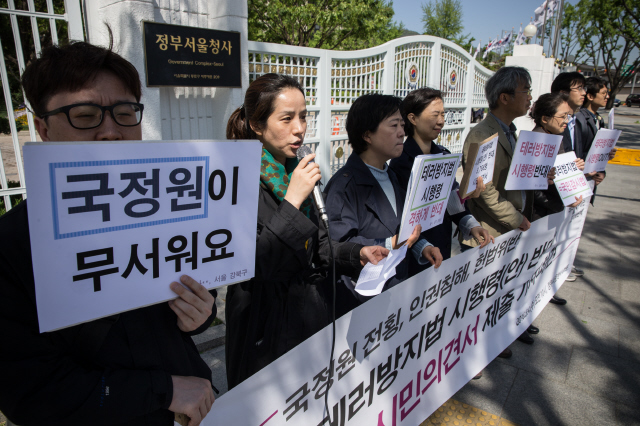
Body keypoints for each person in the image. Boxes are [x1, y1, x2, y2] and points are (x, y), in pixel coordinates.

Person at [0, 42, 216, 426]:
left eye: (125, 112)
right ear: (43, 129)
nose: (111, 132)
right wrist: (163, 390)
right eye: (85, 115)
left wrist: (199, 313)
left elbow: (196, 300)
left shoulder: (171, 213)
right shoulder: (10, 245)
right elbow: (27, 391)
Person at [224, 74, 387, 388]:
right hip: (264, 329)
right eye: (286, 118)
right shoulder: (236, 178)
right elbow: (255, 265)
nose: (299, 128)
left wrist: (357, 253)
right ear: (257, 125)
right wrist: (292, 200)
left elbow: (320, 248)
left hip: (308, 318)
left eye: (303, 117)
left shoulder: (297, 169)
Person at [460, 66, 544, 350]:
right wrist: (516, 218)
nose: (530, 97)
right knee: (484, 293)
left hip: (511, 226)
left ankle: (504, 331)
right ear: (504, 98)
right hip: (491, 230)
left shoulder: (511, 131)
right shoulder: (482, 134)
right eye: (526, 91)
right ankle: (479, 346)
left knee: (506, 285)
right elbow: (483, 191)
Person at [323, 94, 434, 307]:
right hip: (361, 304)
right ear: (367, 135)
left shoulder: (390, 175)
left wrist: (422, 246)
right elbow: (338, 247)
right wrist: (388, 244)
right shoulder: (344, 187)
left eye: (402, 125)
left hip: (395, 294)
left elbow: (402, 230)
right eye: (394, 125)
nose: (402, 132)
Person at [390, 87, 494, 275]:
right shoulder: (402, 162)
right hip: (416, 255)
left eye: (443, 114)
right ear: (413, 118)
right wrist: (421, 246)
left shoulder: (443, 155)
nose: (441, 121)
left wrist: (471, 225)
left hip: (442, 247)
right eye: (435, 115)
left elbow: (453, 200)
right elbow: (401, 219)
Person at [529, 92, 586, 219]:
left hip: (548, 211)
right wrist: (559, 203)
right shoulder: (536, 142)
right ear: (545, 119)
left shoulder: (554, 136)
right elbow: (531, 190)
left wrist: (574, 168)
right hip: (538, 215)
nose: (566, 121)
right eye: (562, 116)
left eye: (568, 116)